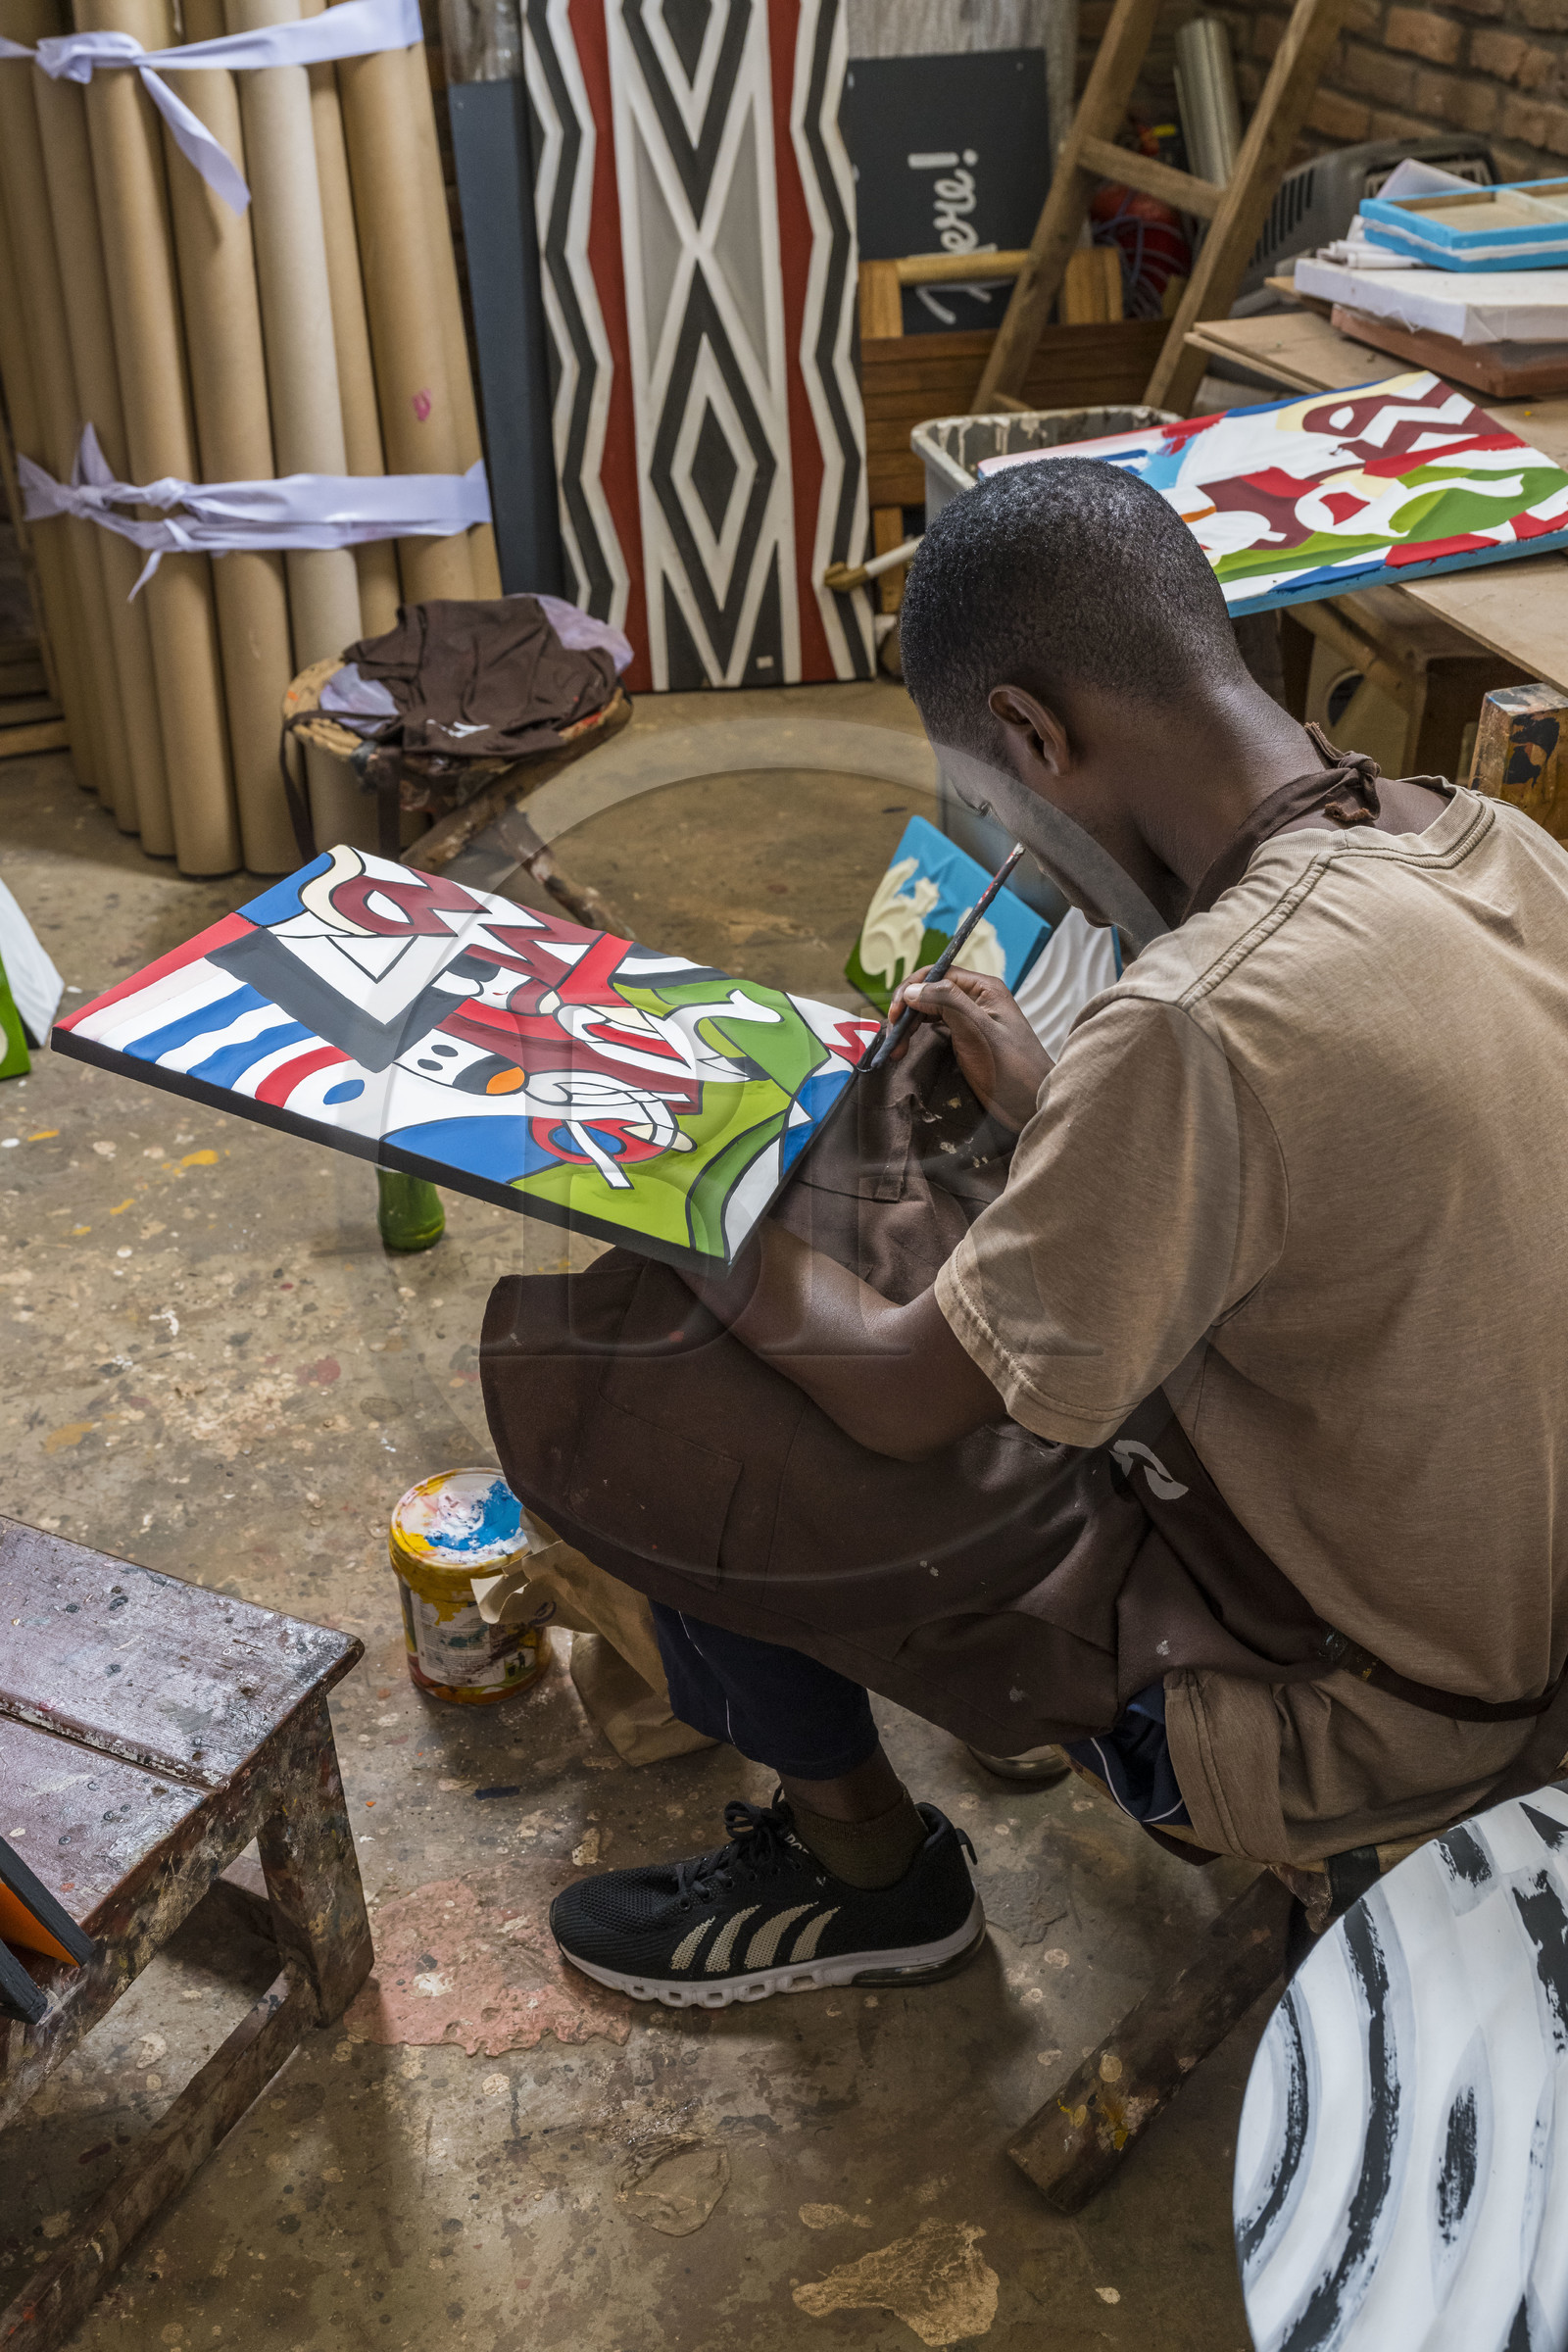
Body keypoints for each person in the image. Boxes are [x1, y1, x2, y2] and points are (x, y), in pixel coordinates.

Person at [481, 457, 1568, 2009]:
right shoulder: (1483, 844)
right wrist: (1063, 1089)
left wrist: (677, 1184)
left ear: (1036, 738)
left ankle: (859, 1871)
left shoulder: (1201, 1016)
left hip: (1345, 1717)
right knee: (895, 1230)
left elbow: (909, 1394)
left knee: (657, 1370)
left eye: (985, 799)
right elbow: (1318, 1157)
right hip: (1515, 1627)